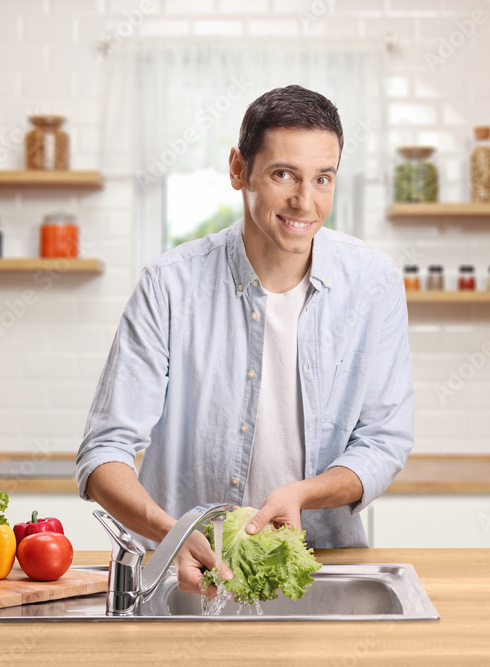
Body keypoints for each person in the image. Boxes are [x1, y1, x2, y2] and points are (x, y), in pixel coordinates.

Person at [76, 84, 413, 597]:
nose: (306, 201)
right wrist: (171, 534)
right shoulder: (170, 285)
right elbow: (105, 452)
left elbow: (384, 440)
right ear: (239, 169)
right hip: (189, 572)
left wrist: (305, 493)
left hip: (319, 566)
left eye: (323, 178)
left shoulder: (374, 283)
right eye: (284, 174)